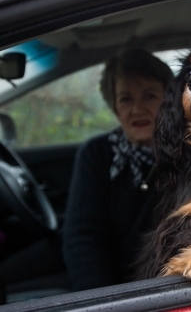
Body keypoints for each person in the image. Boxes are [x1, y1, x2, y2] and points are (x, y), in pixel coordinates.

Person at [62, 48, 174, 291]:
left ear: (167, 100)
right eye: (126, 99)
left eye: (149, 96)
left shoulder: (188, 152)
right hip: (114, 291)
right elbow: (83, 240)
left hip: (175, 287)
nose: (136, 109)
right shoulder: (96, 154)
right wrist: (101, 301)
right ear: (114, 105)